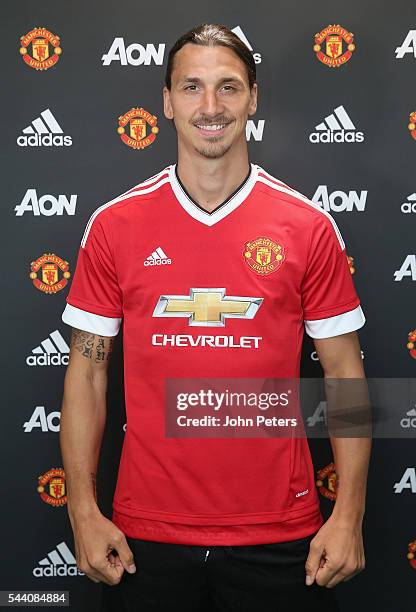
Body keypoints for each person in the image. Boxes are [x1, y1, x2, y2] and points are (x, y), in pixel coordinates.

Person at [60, 23, 370, 612]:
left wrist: (349, 514)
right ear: (167, 102)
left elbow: (346, 376)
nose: (210, 107)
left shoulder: (306, 226)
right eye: (192, 87)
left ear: (254, 98)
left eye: (228, 87)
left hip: (282, 536)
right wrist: (82, 511)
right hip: (144, 538)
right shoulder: (114, 226)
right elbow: (87, 373)